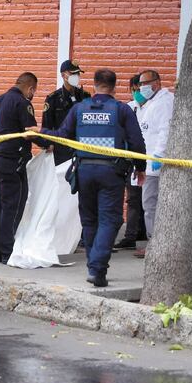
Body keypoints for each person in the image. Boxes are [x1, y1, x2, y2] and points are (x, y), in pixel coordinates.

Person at [36, 69, 146, 287]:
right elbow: (137, 142)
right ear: (114, 87)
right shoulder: (122, 110)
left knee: (89, 220)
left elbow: (62, 136)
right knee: (110, 220)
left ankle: (93, 266)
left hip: (84, 171)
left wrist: (39, 133)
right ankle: (97, 269)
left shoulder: (80, 108)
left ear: (94, 85)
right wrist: (140, 168)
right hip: (111, 173)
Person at [0, 72, 39, 264]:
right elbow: (30, 133)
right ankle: (7, 252)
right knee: (12, 207)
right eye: (34, 91)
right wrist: (47, 144)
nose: (33, 95)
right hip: (12, 161)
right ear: (30, 88)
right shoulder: (22, 103)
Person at [134, 69, 174, 257]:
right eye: (140, 84)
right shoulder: (153, 102)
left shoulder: (164, 103)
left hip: (155, 163)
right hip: (149, 162)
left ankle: (154, 245)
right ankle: (157, 243)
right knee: (151, 205)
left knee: (150, 205)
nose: (142, 88)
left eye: (145, 83)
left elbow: (165, 131)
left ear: (156, 83)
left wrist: (158, 155)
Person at [115, 73, 148, 249]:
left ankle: (142, 231)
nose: (137, 93)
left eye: (139, 89)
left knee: (147, 199)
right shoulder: (128, 108)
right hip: (131, 158)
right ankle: (131, 235)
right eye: (134, 90)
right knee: (133, 197)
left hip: (150, 157)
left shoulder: (153, 107)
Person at [42, 60, 91, 166]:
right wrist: (48, 144)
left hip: (81, 148)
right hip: (61, 150)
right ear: (63, 75)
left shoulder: (86, 97)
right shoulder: (53, 99)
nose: (76, 76)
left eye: (78, 73)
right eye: (73, 74)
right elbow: (46, 125)